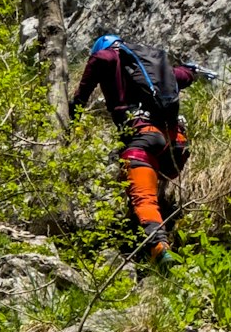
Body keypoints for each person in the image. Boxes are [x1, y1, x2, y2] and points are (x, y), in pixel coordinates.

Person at [70, 35, 198, 268]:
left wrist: (77, 106)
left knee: (143, 198)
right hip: (175, 145)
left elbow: (99, 59)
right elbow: (183, 75)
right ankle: (144, 237)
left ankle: (160, 249)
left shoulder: (109, 57)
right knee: (133, 184)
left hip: (143, 140)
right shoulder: (151, 69)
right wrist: (191, 70)